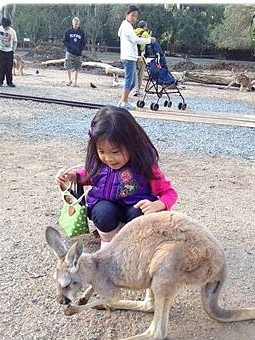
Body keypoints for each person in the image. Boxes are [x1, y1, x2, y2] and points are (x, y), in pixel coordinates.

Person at [55, 105, 177, 248]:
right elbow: (90, 175)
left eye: (115, 152)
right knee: (102, 212)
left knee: (139, 213)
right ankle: (109, 240)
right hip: (108, 211)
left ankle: (134, 241)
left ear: (132, 144)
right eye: (101, 151)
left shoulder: (144, 166)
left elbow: (170, 193)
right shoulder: (100, 163)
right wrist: (72, 177)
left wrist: (157, 205)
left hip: (134, 213)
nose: (108, 158)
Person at [117, 5, 155, 110]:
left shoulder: (126, 26)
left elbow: (122, 36)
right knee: (130, 80)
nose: (134, 18)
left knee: (132, 81)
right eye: (132, 15)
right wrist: (149, 40)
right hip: (128, 57)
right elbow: (135, 40)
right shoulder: (127, 26)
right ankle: (124, 101)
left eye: (136, 16)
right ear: (127, 15)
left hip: (130, 56)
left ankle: (123, 100)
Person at [62, 17, 85, 87]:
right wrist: (70, 48)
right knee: (68, 66)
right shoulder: (68, 32)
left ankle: (75, 82)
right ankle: (69, 80)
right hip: (70, 52)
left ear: (79, 24)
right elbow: (64, 41)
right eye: (75, 24)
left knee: (77, 68)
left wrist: (80, 49)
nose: (76, 25)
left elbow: (83, 43)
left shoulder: (81, 33)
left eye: (77, 24)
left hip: (78, 53)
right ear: (72, 23)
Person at [0, 17, 17, 87]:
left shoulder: (12, 31)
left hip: (9, 52)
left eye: (7, 26)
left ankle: (9, 82)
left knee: (9, 67)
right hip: (1, 51)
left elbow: (15, 42)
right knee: (1, 67)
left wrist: (13, 51)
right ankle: (0, 81)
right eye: (4, 27)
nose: (6, 28)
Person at [133, 20, 151, 96]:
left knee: (134, 74)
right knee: (140, 75)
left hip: (133, 56)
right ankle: (137, 91)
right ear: (144, 26)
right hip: (141, 57)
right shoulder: (145, 33)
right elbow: (150, 42)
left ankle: (133, 89)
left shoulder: (133, 32)